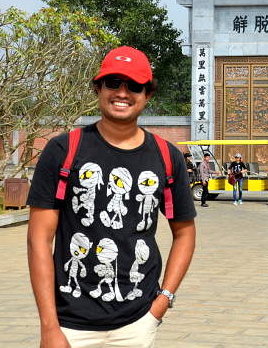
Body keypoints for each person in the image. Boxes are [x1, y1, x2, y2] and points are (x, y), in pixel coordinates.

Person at [27, 46, 196, 348]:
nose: (123, 92)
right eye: (113, 83)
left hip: (138, 319)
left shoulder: (166, 157)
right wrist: (49, 326)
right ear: (98, 88)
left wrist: (162, 302)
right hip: (69, 322)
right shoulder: (65, 150)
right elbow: (39, 239)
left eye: (134, 85)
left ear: (148, 95)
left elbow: (184, 233)